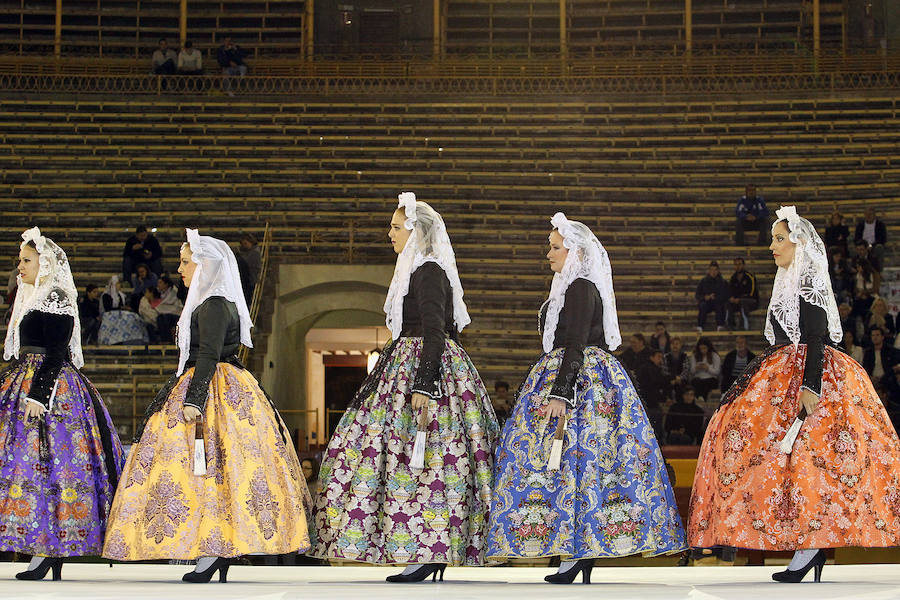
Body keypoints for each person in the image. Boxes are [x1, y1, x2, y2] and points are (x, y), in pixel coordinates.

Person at [689, 206, 900, 583]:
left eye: (779, 238)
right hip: (785, 374)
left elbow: (816, 338)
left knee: (811, 463)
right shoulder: (786, 280)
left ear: (798, 243)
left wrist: (810, 388)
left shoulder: (808, 282)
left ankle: (809, 548)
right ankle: (806, 545)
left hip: (809, 381)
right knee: (784, 462)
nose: (772, 246)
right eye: (773, 238)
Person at [102, 229, 312, 582]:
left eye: (186, 262)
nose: (180, 269)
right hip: (220, 385)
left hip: (212, 389)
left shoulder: (214, 304)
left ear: (206, 265)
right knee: (211, 473)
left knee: (209, 469)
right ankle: (212, 549)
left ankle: (213, 550)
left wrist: (195, 399)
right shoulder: (209, 301)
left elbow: (208, 355)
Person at [487, 213, 685, 583]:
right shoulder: (571, 286)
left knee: (572, 462)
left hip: (579, 378)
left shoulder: (579, 287)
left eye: (555, 247)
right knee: (582, 467)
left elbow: (575, 343)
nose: (549, 254)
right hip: (581, 373)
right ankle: (576, 552)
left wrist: (561, 393)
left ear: (574, 251)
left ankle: (575, 552)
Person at [311, 193, 498, 582]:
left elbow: (435, 330)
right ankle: (422, 551)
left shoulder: (428, 270)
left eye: (396, 227)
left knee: (424, 460)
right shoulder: (417, 268)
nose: (389, 234)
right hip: (413, 363)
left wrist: (425, 385)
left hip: (422, 369)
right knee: (411, 460)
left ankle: (427, 551)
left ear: (415, 231)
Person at [1, 228, 124, 581]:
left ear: (45, 261)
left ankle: (45, 549)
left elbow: (57, 353)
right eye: (20, 260)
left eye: (26, 260)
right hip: (25, 379)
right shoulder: (31, 295)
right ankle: (40, 548)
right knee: (28, 467)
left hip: (49, 390)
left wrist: (39, 394)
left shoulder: (55, 296)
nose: (19, 266)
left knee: (50, 467)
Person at [98, 275, 148, 346]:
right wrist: (121, 308)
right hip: (109, 315)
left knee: (134, 317)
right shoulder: (106, 295)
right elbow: (108, 308)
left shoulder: (120, 295)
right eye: (117, 284)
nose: (119, 285)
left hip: (120, 313)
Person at [636, 349, 671, 438]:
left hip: (648, 401)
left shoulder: (651, 369)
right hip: (649, 402)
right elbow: (653, 386)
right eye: (658, 357)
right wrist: (663, 398)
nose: (660, 360)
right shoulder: (650, 370)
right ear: (652, 357)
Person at [695, 261, 729, 332]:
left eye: (715, 270)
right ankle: (700, 326)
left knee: (720, 305)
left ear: (718, 270)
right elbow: (697, 295)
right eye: (711, 269)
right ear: (709, 270)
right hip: (707, 303)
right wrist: (705, 297)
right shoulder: (703, 281)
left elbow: (726, 295)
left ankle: (720, 325)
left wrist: (716, 298)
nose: (713, 272)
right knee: (702, 305)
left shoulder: (723, 282)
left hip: (718, 303)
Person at [726, 257, 758, 330]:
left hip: (751, 301)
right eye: (736, 264)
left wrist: (740, 299)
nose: (738, 266)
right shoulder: (733, 278)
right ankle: (731, 326)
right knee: (728, 303)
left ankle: (744, 326)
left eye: (739, 264)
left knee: (743, 303)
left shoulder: (750, 277)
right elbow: (730, 291)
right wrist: (732, 298)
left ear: (743, 265)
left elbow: (751, 293)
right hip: (738, 301)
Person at [854, 206, 887, 271]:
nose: (868, 216)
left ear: (874, 215)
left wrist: (871, 246)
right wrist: (863, 246)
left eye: (870, 214)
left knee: (879, 248)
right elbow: (856, 238)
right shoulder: (860, 225)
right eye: (866, 214)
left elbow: (882, 239)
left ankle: (878, 271)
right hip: (862, 246)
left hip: (875, 246)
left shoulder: (880, 225)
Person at [154, 275, 183, 342]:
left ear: (166, 284)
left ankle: (168, 340)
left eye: (160, 283)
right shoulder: (159, 293)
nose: (158, 285)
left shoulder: (174, 291)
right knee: (160, 318)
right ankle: (165, 340)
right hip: (165, 314)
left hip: (176, 313)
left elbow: (170, 304)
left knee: (165, 318)